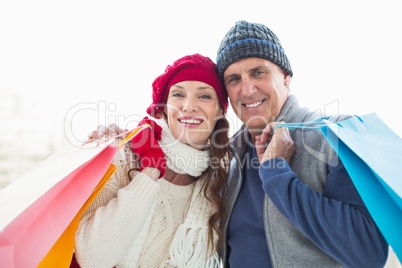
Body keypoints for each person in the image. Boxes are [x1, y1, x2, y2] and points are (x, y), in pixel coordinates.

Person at [216, 20, 389, 267]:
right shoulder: (229, 159)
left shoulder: (333, 136)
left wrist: (277, 174)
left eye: (258, 72)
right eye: (233, 79)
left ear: (285, 77)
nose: (246, 89)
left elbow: (367, 253)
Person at [74, 54, 231, 268]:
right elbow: (94, 259)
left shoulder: (221, 186)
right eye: (178, 94)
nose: (188, 106)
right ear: (164, 107)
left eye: (204, 96)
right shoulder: (123, 157)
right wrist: (150, 172)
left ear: (221, 110)